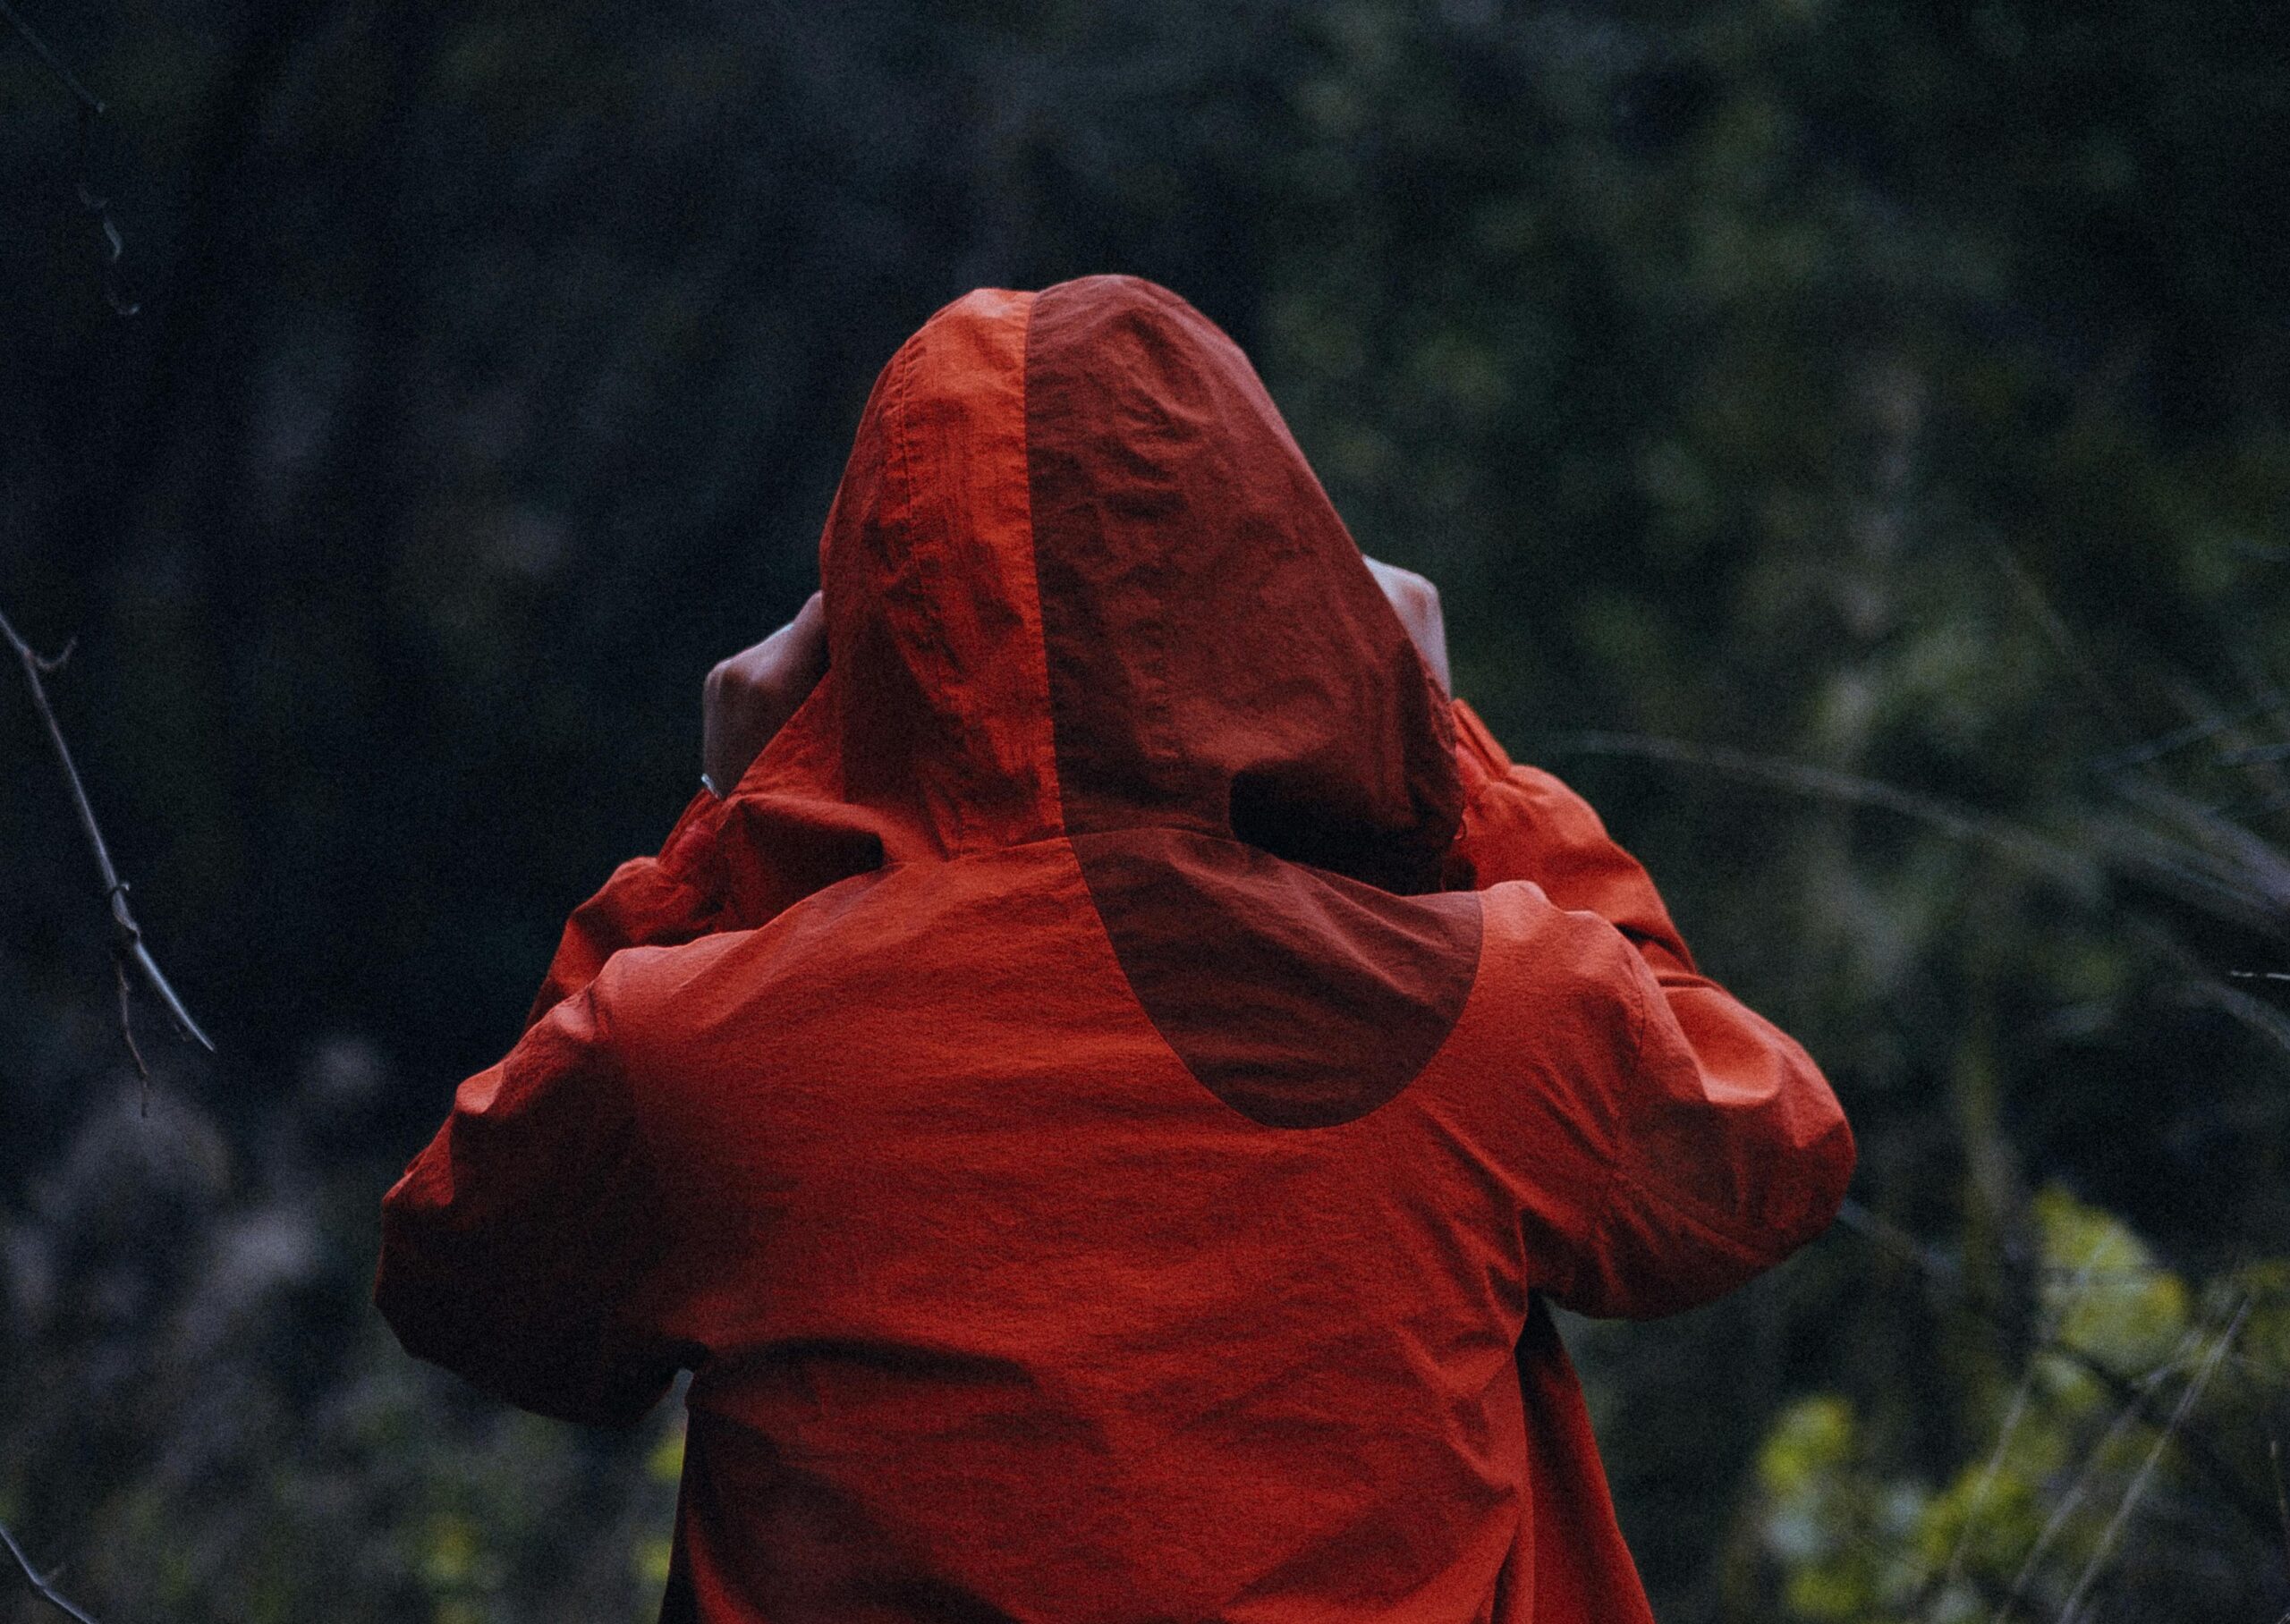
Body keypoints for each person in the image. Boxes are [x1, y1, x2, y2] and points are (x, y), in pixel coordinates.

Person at [376, 275, 1853, 1623]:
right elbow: (1765, 1150)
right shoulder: (1484, 1015)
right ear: (1286, 594)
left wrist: (727, 827)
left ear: (869, 628)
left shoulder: (693, 1048)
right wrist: (1449, 760)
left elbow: (476, 1287)